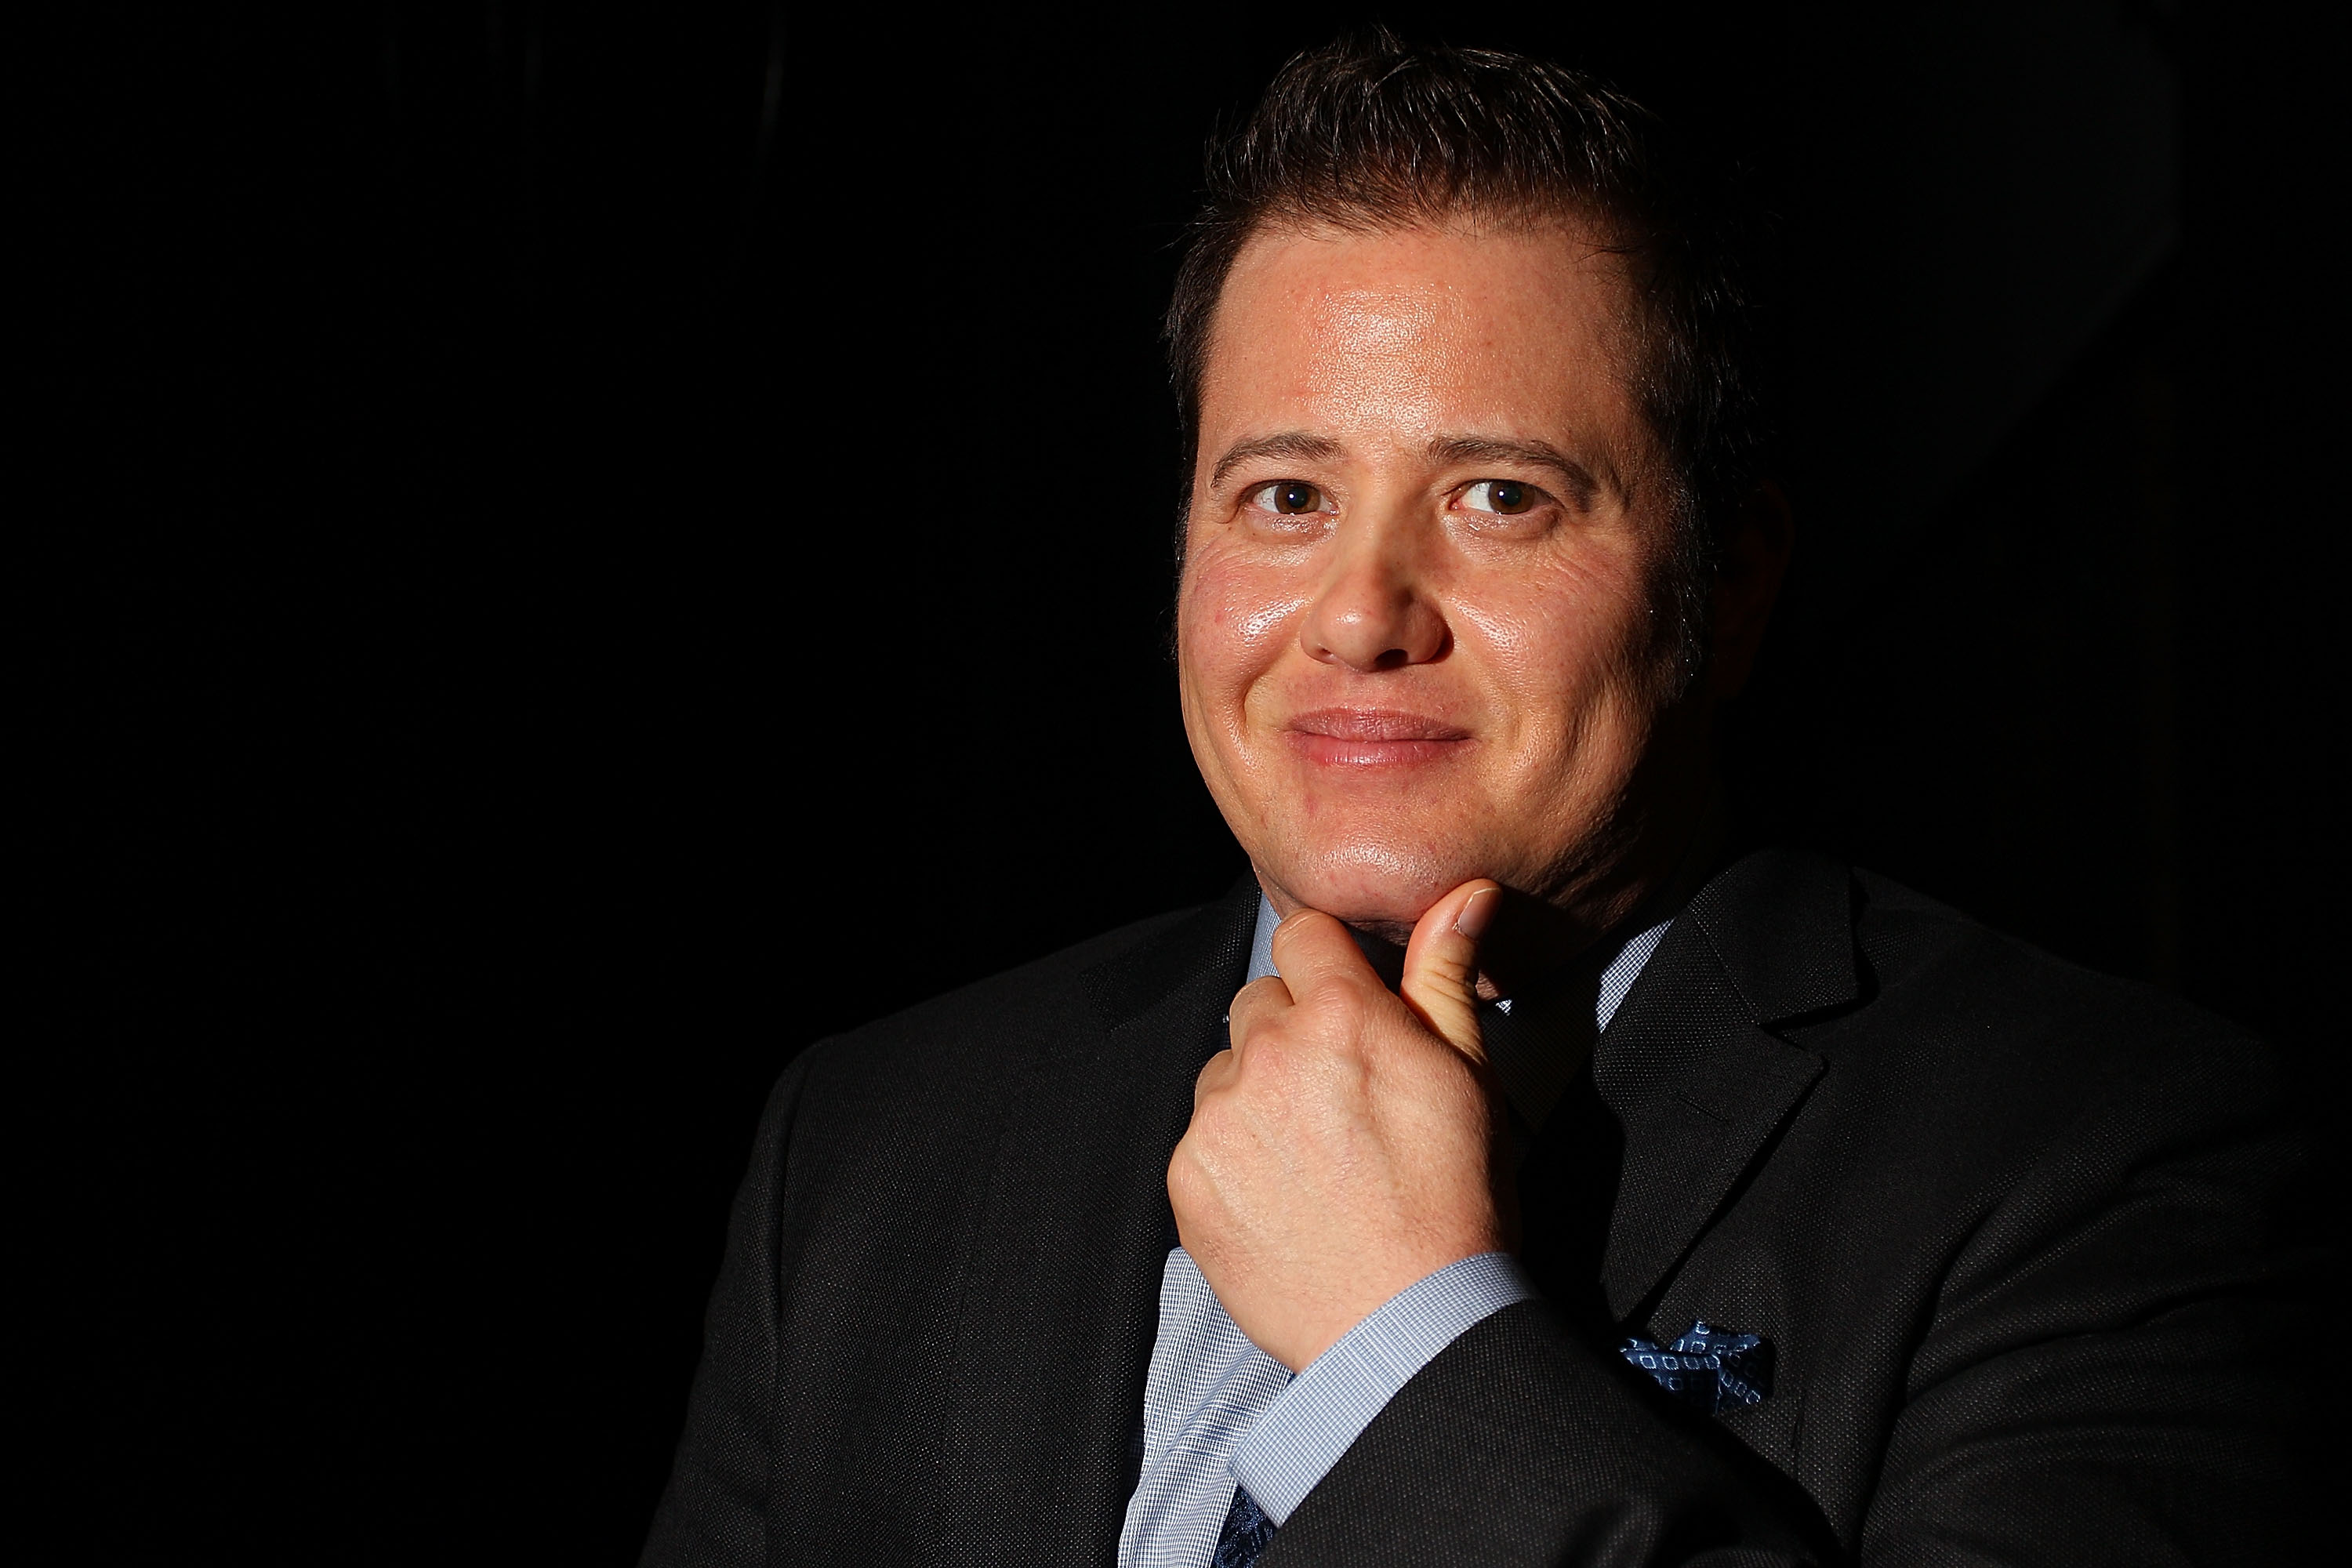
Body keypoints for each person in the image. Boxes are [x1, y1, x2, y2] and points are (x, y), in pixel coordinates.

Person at [641, 32, 2310, 1566]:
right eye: (1286, 494)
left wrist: (1405, 1335)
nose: (1364, 612)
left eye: (1499, 496)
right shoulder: (869, 1150)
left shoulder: (2104, 1159)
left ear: (1729, 580)